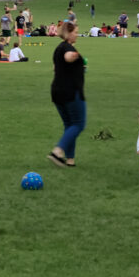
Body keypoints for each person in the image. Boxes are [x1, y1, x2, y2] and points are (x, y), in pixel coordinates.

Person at [47, 22, 86, 169]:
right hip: (70, 92)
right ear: (68, 34)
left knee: (69, 125)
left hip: (56, 92)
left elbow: (55, 67)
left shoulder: (58, 48)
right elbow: (68, 57)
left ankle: (70, 160)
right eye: (75, 32)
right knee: (79, 124)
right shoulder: (67, 48)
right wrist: (76, 55)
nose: (77, 34)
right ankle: (58, 151)